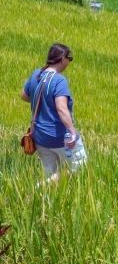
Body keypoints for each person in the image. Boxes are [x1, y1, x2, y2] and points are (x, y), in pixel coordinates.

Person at [21, 43, 82, 185]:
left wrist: (44, 101)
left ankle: (46, 201)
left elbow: (24, 96)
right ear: (62, 59)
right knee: (79, 166)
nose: (69, 61)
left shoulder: (36, 75)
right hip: (59, 136)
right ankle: (41, 187)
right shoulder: (59, 80)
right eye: (69, 58)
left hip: (40, 137)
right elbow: (62, 108)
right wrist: (72, 131)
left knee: (51, 174)